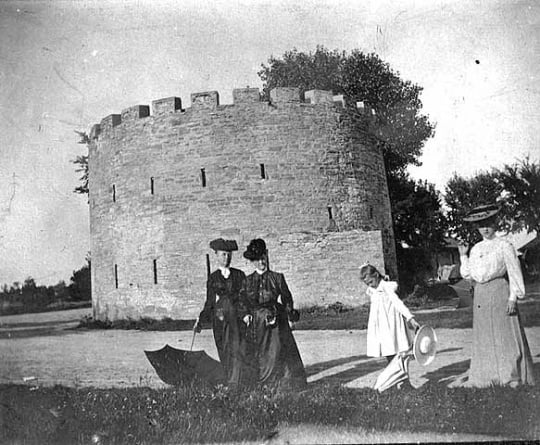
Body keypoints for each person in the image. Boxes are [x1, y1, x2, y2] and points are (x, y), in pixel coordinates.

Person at [457, 204, 535, 387]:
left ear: (494, 223)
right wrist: (463, 255)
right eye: (480, 225)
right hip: (481, 295)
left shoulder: (504, 245)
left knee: (504, 334)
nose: (485, 229)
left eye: (488, 224)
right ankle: (488, 375)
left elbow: (515, 272)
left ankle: (511, 375)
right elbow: (468, 274)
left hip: (500, 291)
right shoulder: (475, 249)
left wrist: (513, 297)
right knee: (485, 336)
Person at [238, 238, 307, 390]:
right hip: (256, 323)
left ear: (267, 256)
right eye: (257, 260)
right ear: (252, 262)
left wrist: (290, 316)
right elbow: (242, 300)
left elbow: (287, 298)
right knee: (257, 352)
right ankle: (259, 383)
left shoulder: (277, 278)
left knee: (278, 350)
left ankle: (281, 383)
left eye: (263, 258)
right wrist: (245, 314)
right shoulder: (248, 281)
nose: (261, 262)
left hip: (276, 320)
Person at [193, 238, 247, 387]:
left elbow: (244, 298)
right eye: (223, 254)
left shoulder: (239, 275)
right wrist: (200, 320)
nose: (226, 258)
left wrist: (246, 314)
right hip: (220, 320)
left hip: (236, 319)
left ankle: (235, 381)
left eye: (229, 254)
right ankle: (229, 377)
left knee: (237, 347)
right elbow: (209, 302)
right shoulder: (213, 278)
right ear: (216, 255)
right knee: (224, 348)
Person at [359, 263, 421, 386]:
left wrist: (410, 318)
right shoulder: (373, 290)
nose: (370, 285)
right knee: (388, 353)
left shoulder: (386, 287)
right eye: (367, 284)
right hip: (380, 326)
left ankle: (403, 381)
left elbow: (398, 303)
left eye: (371, 282)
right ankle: (395, 381)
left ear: (376, 275)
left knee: (395, 354)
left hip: (391, 325)